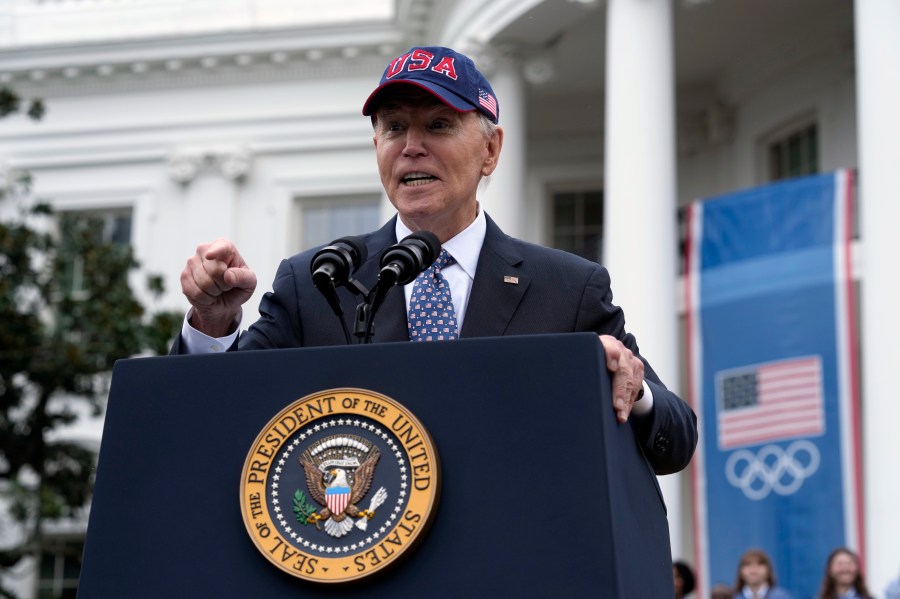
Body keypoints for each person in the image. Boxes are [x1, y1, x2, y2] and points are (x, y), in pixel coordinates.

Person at [175, 45, 697, 475]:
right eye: (394, 127)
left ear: (491, 150)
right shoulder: (317, 282)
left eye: (439, 125)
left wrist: (636, 389)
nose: (412, 146)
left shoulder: (566, 288)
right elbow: (216, 420)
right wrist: (213, 323)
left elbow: (674, 441)